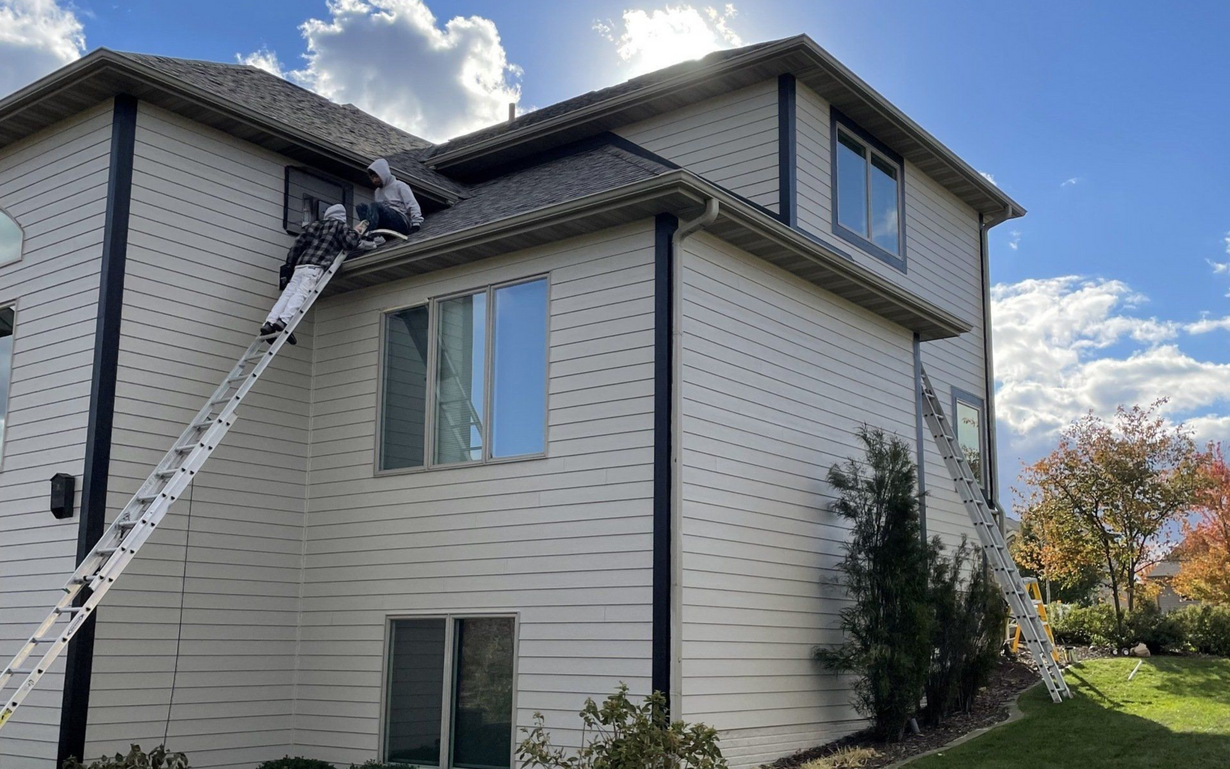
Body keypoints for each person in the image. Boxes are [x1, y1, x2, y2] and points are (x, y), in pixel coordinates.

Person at [261, 203, 360, 345]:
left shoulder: (313, 226)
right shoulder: (340, 226)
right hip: (316, 266)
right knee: (301, 293)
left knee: (288, 294)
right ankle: (284, 321)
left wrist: (290, 265)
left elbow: (296, 246)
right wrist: (355, 233)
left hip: (300, 266)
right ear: (342, 216)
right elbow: (349, 243)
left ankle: (269, 323)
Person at [356, 158, 423, 241]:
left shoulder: (399, 186)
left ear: (383, 174)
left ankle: (368, 237)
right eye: (372, 178)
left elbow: (412, 204)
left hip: (401, 222)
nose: (374, 180)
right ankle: (366, 233)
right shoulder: (377, 192)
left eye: (376, 177)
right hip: (387, 223)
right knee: (360, 206)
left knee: (374, 205)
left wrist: (416, 224)